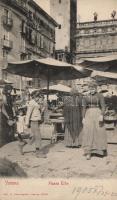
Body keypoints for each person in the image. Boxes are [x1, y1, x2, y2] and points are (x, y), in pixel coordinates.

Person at [82, 82, 107, 160]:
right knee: (88, 132)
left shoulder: (100, 95)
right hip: (88, 114)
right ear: (88, 88)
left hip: (97, 114)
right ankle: (88, 152)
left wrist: (102, 115)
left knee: (99, 131)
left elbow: (103, 106)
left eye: (93, 88)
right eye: (90, 88)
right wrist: (83, 117)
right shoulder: (86, 96)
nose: (92, 90)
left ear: (96, 88)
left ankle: (99, 151)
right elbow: (84, 108)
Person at [25, 91, 46, 158]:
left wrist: (42, 108)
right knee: (38, 137)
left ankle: (23, 143)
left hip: (36, 121)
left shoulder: (36, 102)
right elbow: (28, 113)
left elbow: (38, 111)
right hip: (33, 121)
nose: (38, 98)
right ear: (34, 96)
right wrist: (26, 123)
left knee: (35, 137)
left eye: (39, 97)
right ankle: (38, 153)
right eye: (38, 97)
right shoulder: (32, 103)